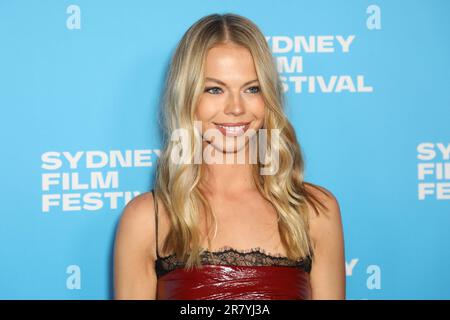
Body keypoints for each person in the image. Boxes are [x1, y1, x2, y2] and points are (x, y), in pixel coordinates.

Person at [113, 13, 346, 300]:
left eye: (252, 88)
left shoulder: (315, 211)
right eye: (215, 89)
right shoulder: (148, 218)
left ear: (269, 97)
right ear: (186, 98)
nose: (236, 107)